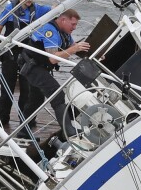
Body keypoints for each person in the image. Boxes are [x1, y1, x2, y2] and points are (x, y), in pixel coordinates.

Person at [19, 8, 90, 139]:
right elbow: (53, 58)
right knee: (57, 95)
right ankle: (68, 130)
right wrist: (74, 49)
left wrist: (93, 54)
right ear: (63, 20)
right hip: (32, 66)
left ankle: (23, 131)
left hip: (40, 67)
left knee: (36, 99)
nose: (74, 28)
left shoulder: (64, 32)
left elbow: (74, 47)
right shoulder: (50, 30)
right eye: (72, 24)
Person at [0, 0, 51, 132]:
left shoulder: (39, 9)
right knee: (6, 88)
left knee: (27, 90)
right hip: (10, 54)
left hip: (28, 55)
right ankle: (3, 118)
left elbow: (59, 9)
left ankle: (25, 120)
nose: (29, 0)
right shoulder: (10, 9)